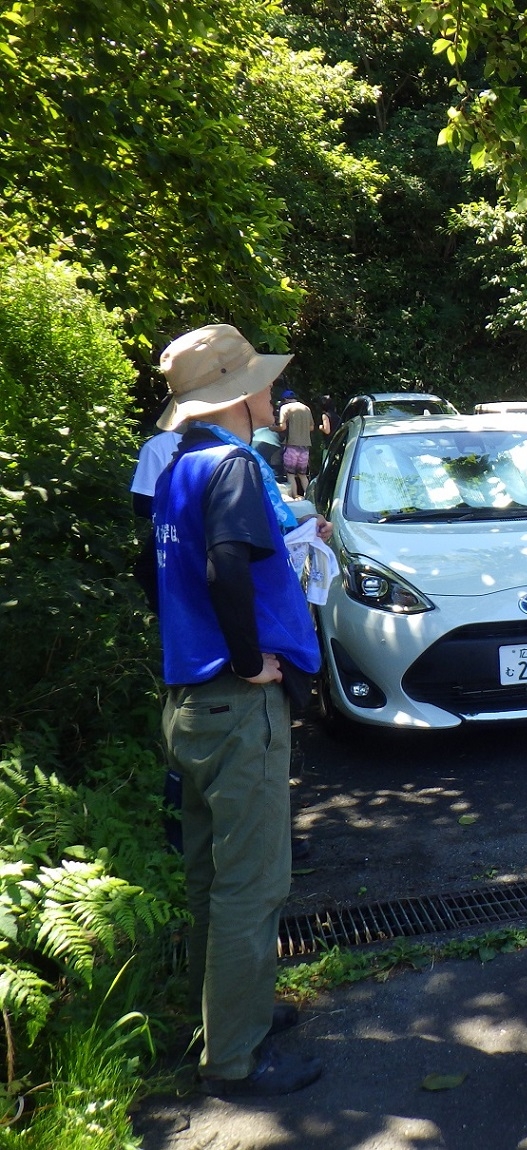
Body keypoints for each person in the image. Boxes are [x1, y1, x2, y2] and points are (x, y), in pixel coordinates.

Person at [152, 323, 325, 1096]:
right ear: (235, 396)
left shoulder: (176, 467)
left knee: (208, 876)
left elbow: (157, 572)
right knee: (251, 884)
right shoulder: (231, 467)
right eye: (259, 382)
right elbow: (227, 564)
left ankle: (223, 1015)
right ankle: (235, 1058)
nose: (269, 393)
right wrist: (252, 659)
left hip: (187, 700)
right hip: (232, 703)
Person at [277, 389, 314, 497]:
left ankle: (295, 496)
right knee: (302, 475)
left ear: (284, 400)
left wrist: (272, 428)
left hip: (291, 445)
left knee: (290, 474)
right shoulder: (306, 408)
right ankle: (308, 497)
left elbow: (282, 426)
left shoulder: (285, 408)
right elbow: (311, 427)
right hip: (305, 447)